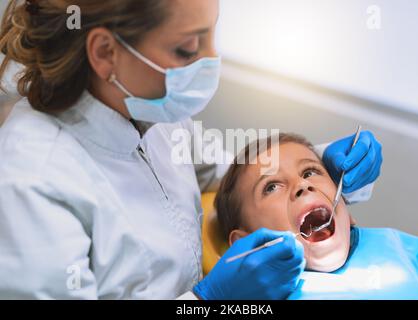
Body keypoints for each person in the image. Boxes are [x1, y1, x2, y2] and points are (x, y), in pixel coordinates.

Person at [0, 0, 382, 299]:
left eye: (212, 32)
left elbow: (229, 171)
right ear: (104, 53)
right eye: (187, 49)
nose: (211, 59)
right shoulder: (31, 185)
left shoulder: (151, 107)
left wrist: (322, 162)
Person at [214, 133, 418, 299]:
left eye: (310, 171)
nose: (302, 185)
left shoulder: (405, 251)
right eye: (271, 186)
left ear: (346, 209)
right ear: (246, 247)